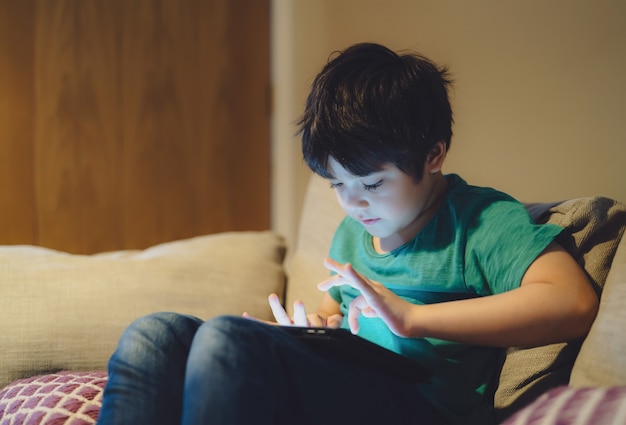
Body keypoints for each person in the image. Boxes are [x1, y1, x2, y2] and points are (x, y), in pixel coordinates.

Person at [98, 42, 598, 425]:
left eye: (374, 183)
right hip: (343, 385)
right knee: (154, 334)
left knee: (229, 340)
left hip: (419, 406)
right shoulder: (353, 230)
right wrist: (317, 328)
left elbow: (571, 302)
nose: (354, 202)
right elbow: (341, 311)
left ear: (433, 155)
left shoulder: (482, 222)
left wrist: (414, 318)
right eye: (338, 183)